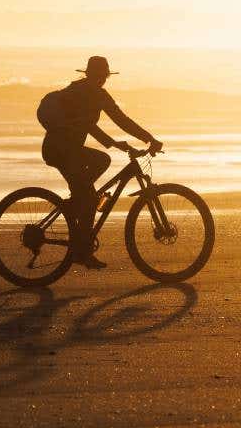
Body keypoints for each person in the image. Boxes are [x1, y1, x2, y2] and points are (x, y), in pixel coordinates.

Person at [39, 55, 162, 269]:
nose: (103, 80)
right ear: (96, 76)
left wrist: (120, 142)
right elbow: (117, 121)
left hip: (66, 149)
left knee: (96, 171)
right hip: (61, 151)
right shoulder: (89, 94)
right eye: (101, 76)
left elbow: (101, 123)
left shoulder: (84, 91)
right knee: (90, 190)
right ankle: (81, 248)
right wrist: (147, 139)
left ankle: (79, 202)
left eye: (103, 77)